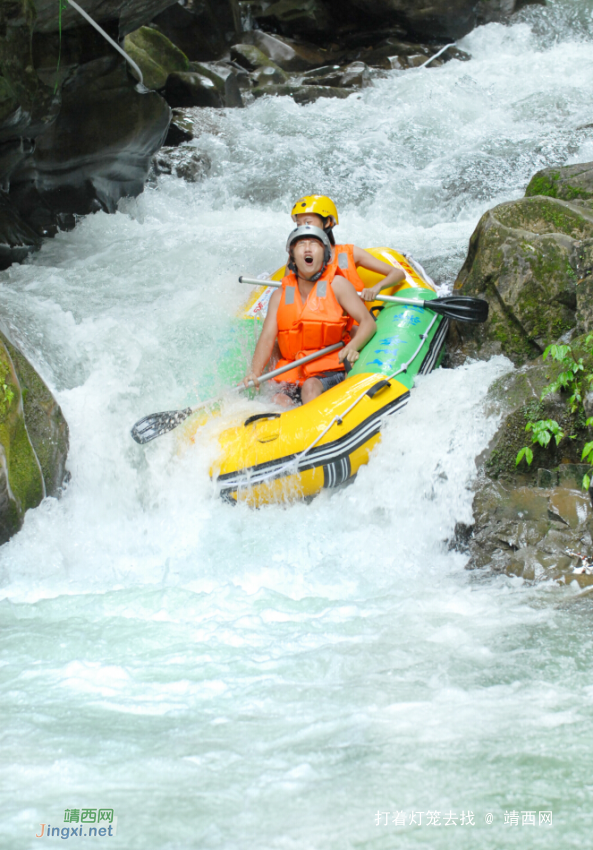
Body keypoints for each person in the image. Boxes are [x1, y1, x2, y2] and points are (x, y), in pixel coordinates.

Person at [244, 225, 376, 407]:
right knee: (277, 400)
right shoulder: (281, 295)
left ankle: (323, 431)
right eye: (301, 245)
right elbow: (267, 338)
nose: (307, 248)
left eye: (314, 243)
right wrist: (255, 372)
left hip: (329, 368)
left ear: (325, 255)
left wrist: (353, 346)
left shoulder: (337, 285)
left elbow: (368, 323)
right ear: (292, 257)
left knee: (310, 387)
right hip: (294, 370)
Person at [290, 194, 406, 302]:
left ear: (327, 222)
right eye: (299, 224)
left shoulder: (349, 253)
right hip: (314, 319)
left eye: (308, 222)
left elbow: (398, 274)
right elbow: (288, 296)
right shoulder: (296, 258)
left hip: (354, 320)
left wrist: (376, 288)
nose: (302, 229)